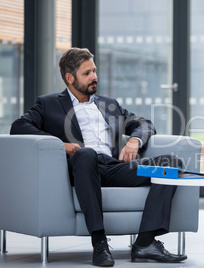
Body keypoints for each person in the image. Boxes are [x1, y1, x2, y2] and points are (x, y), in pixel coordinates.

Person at [10, 47, 187, 267]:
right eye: (87, 73)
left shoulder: (108, 105)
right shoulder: (49, 104)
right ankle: (100, 243)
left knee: (171, 164)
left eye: (94, 70)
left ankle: (144, 243)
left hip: (115, 168)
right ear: (70, 78)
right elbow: (19, 126)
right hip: (82, 168)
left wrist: (134, 141)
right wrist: (60, 145)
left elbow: (143, 124)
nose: (94, 77)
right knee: (86, 154)